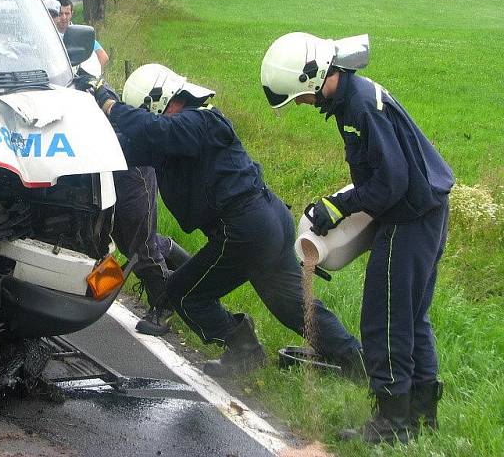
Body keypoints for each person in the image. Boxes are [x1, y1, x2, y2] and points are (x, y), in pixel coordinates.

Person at [92, 63, 363, 376]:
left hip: (243, 229)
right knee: (292, 306)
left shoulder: (201, 120)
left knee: (184, 293)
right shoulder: (174, 136)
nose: (148, 121)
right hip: (263, 223)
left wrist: (109, 103)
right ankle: (355, 360)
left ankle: (244, 349)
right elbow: (126, 147)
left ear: (160, 101)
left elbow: (154, 130)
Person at [260, 32, 454, 444]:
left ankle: (392, 421)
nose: (302, 105)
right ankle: (422, 412)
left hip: (410, 218)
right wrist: (344, 200)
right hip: (425, 209)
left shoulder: (361, 107)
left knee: (384, 317)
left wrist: (340, 207)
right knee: (410, 314)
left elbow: (391, 182)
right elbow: (386, 173)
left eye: (299, 97)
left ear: (310, 79)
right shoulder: (354, 98)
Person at [45, 0, 187, 335]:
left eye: (58, 15)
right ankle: (190, 276)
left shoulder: (79, 58)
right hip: (105, 159)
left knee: (138, 242)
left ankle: (164, 307)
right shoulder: (39, 57)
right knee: (132, 241)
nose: (57, 19)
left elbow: (108, 101)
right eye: (52, 16)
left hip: (128, 160)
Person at [57, 0, 109, 67]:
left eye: (67, 13)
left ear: (72, 14)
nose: (64, 17)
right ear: (55, 14)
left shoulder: (80, 33)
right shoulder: (48, 34)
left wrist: (91, 75)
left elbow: (103, 57)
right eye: (60, 13)